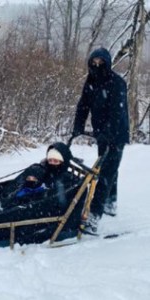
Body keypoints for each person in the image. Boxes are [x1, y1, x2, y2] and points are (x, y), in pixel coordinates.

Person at [71, 47, 130, 234]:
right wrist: (78, 127)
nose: (97, 65)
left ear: (107, 63)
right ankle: (111, 203)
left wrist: (108, 132)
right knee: (109, 168)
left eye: (100, 62)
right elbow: (83, 105)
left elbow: (117, 112)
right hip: (101, 134)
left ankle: (94, 216)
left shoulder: (116, 83)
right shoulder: (91, 81)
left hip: (117, 134)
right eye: (94, 62)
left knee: (105, 173)